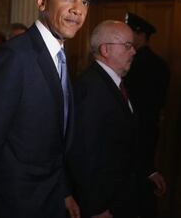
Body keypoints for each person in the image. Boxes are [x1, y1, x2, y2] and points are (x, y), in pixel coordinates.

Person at [0, 0, 91, 218]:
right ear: (41, 1)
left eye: (85, 1)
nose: (78, 9)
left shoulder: (60, 58)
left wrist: (63, 191)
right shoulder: (12, 58)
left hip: (49, 200)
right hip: (12, 206)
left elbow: (55, 141)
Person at [67, 20, 137, 218]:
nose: (133, 52)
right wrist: (96, 206)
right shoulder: (91, 88)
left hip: (118, 197)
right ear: (105, 49)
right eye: (127, 46)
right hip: (102, 205)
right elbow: (83, 153)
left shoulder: (112, 83)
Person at [123, 13, 169, 218]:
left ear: (140, 35)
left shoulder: (148, 65)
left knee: (139, 193)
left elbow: (148, 109)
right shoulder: (140, 61)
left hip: (139, 133)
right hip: (137, 133)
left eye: (130, 32)